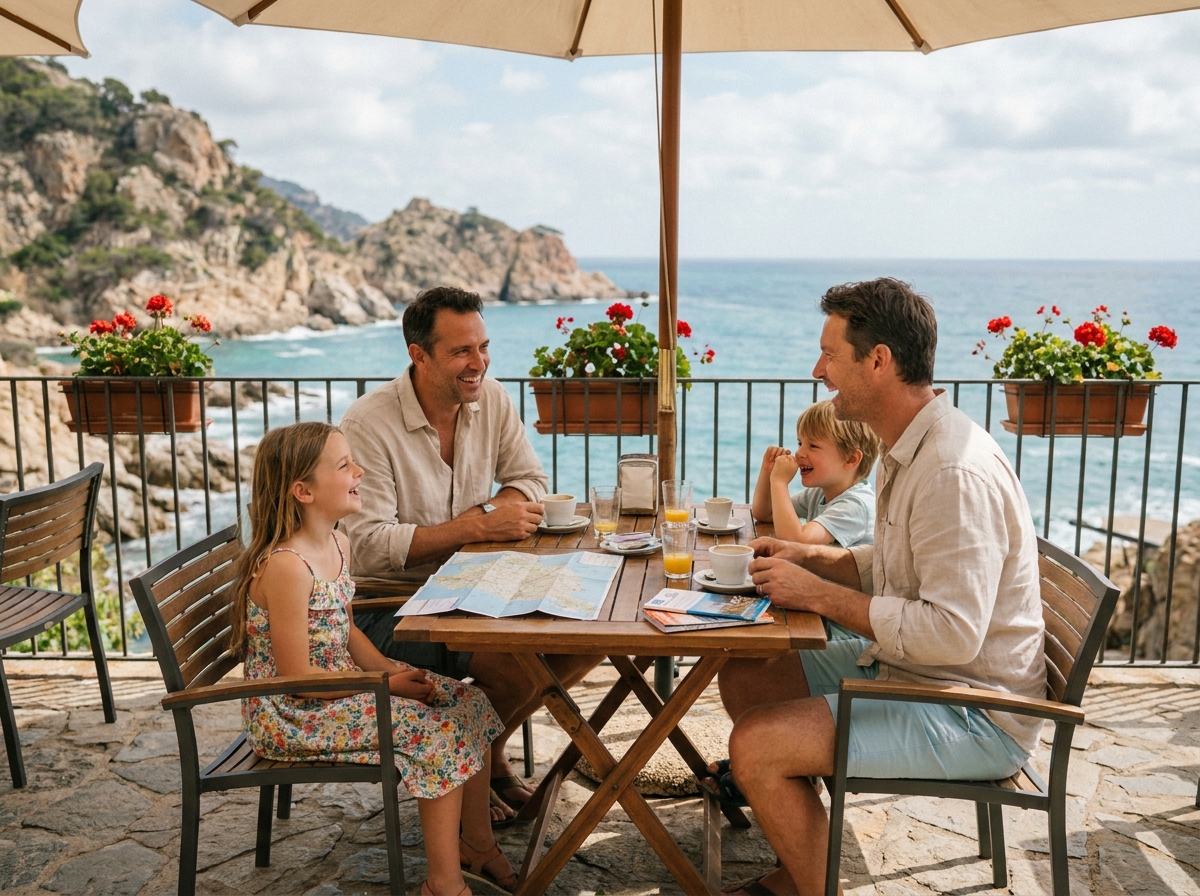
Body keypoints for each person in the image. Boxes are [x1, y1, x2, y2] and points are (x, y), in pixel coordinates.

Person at [712, 278, 1047, 896]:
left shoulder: (950, 470)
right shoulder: (911, 445)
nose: (819, 370)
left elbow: (952, 632)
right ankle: (802, 852)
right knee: (747, 669)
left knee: (756, 745)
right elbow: (890, 564)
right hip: (924, 675)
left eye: (830, 354)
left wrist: (815, 594)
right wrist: (810, 558)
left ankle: (811, 883)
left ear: (879, 360)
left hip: (975, 709)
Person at [340, 286, 601, 823]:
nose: (478, 362)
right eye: (461, 351)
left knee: (584, 640)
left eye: (483, 346)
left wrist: (500, 511)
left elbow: (529, 478)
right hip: (388, 607)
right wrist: (478, 526)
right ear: (419, 355)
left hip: (472, 588)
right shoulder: (367, 425)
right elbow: (368, 543)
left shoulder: (492, 398)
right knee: (512, 663)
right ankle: (476, 765)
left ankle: (483, 753)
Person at [231, 422, 516, 896]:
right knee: (435, 731)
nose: (359, 471)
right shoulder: (286, 566)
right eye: (344, 465)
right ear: (302, 490)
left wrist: (390, 668)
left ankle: (478, 846)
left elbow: (347, 631)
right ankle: (443, 884)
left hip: (336, 691)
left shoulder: (338, 543)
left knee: (469, 702)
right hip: (291, 712)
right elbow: (298, 678)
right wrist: (386, 687)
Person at [750, 399, 878, 548]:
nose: (799, 453)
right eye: (800, 443)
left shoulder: (856, 506)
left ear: (850, 459)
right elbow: (764, 513)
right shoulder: (819, 494)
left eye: (813, 446)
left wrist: (780, 482)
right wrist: (768, 473)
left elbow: (795, 541)